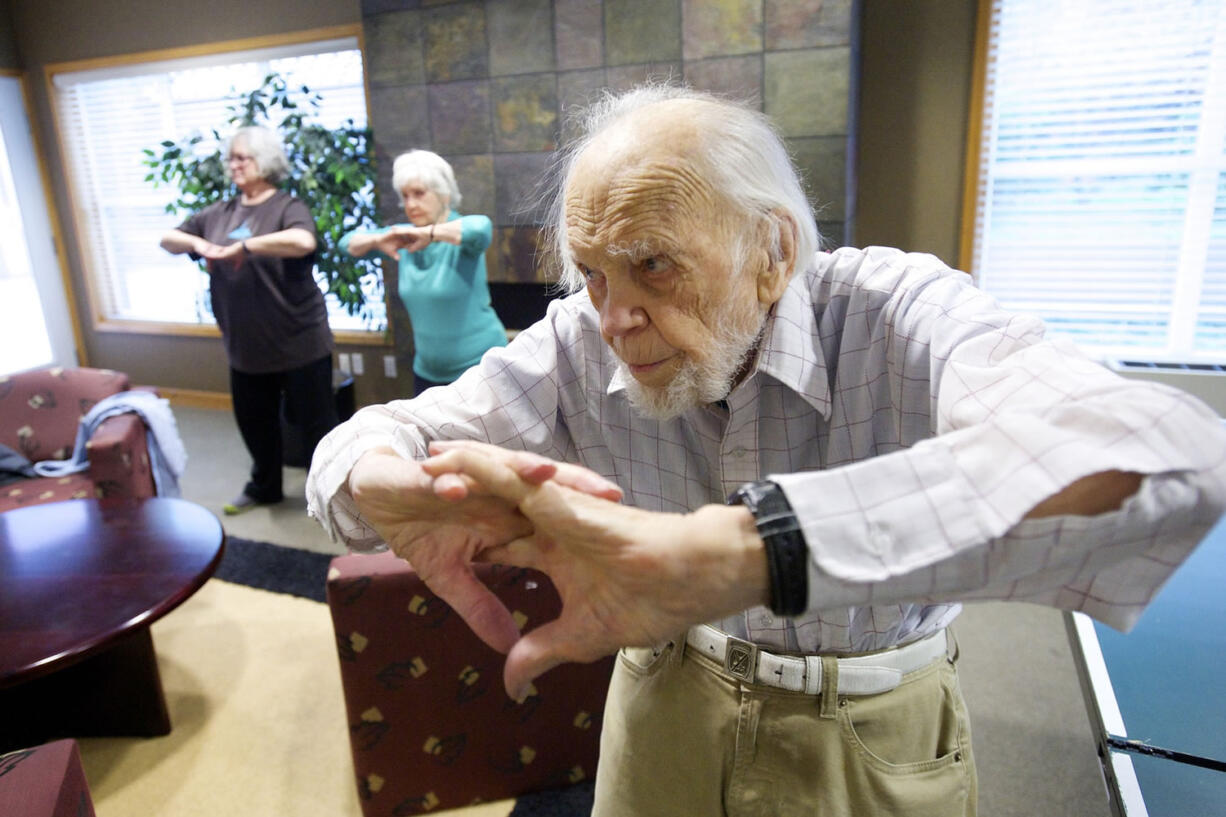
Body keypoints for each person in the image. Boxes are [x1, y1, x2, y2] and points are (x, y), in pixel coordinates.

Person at [305, 85, 1226, 816]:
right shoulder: (580, 336)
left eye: (652, 263)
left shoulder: (895, 312)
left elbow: (1173, 454)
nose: (615, 317)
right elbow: (369, 443)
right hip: (664, 697)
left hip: (869, 730)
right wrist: (387, 482)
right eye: (592, 272)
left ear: (772, 250)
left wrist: (742, 554)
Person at [161, 125, 338, 515]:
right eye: (231, 158)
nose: (233, 165)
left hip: (299, 342)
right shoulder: (218, 213)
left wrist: (246, 246)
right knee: (256, 426)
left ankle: (329, 495)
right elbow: (168, 239)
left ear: (266, 162)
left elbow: (304, 241)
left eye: (242, 157)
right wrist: (198, 244)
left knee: (316, 426)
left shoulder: (288, 207)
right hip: (245, 347)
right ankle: (265, 488)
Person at [339, 150, 507, 395]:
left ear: (444, 195)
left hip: (480, 368)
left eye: (419, 193)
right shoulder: (404, 238)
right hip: (427, 374)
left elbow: (481, 228)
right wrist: (379, 240)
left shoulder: (460, 234)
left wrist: (429, 233)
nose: (410, 205)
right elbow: (346, 244)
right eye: (405, 196)